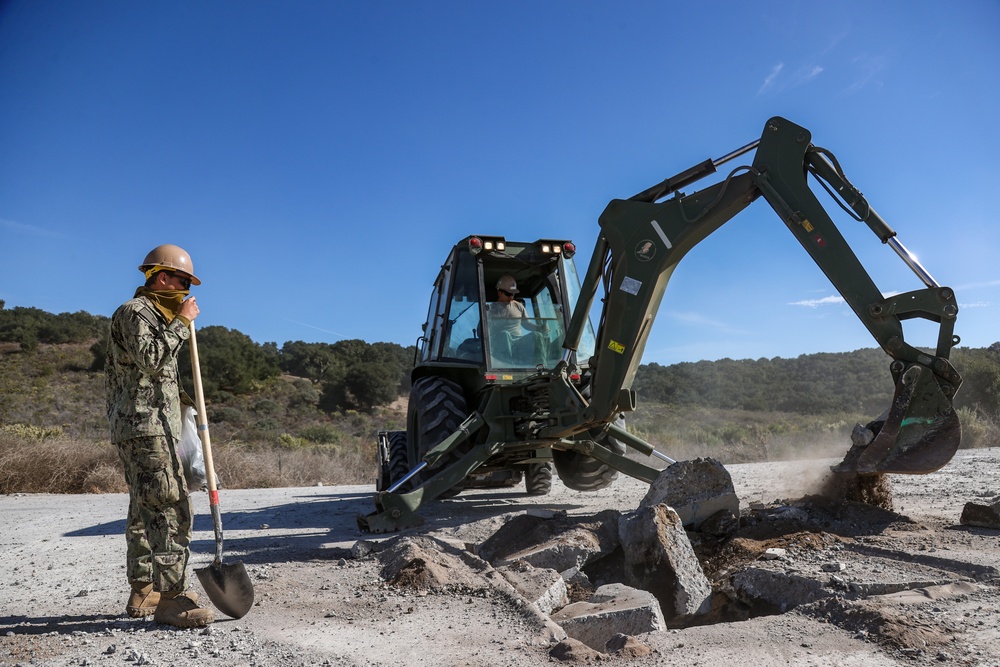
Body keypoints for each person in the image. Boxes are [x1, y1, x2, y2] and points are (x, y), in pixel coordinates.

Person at [105, 244, 215, 628]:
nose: (185, 290)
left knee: (143, 507)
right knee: (170, 506)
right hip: (144, 427)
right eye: (182, 281)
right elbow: (151, 359)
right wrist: (182, 324)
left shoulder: (157, 316)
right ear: (161, 277)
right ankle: (172, 599)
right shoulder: (137, 312)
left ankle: (144, 590)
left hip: (152, 426)